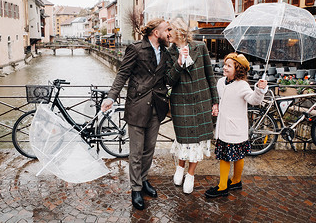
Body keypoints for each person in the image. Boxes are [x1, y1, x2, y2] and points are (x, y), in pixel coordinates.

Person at [101, 18, 171, 211]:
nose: (169, 33)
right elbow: (122, 74)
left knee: (149, 149)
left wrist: (181, 61)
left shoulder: (166, 52)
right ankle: (136, 188)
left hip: (157, 106)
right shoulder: (136, 48)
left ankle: (144, 179)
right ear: (156, 33)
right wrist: (111, 97)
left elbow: (169, 78)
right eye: (167, 30)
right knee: (137, 151)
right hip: (138, 106)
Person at [166, 17, 218, 194]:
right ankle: (180, 167)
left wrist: (215, 101)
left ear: (179, 31)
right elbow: (169, 80)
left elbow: (210, 76)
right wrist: (179, 62)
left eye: (170, 30)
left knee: (197, 141)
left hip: (201, 101)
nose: (167, 34)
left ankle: (190, 174)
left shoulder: (200, 47)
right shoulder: (169, 53)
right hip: (180, 102)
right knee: (183, 140)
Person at [205, 53, 267, 198]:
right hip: (223, 126)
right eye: (225, 64)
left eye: (229, 66)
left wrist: (260, 89)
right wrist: (216, 106)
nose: (224, 68)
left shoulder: (242, 85)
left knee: (232, 157)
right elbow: (219, 99)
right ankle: (235, 182)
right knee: (227, 156)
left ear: (237, 69)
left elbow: (254, 100)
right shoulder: (220, 82)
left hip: (235, 128)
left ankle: (223, 186)